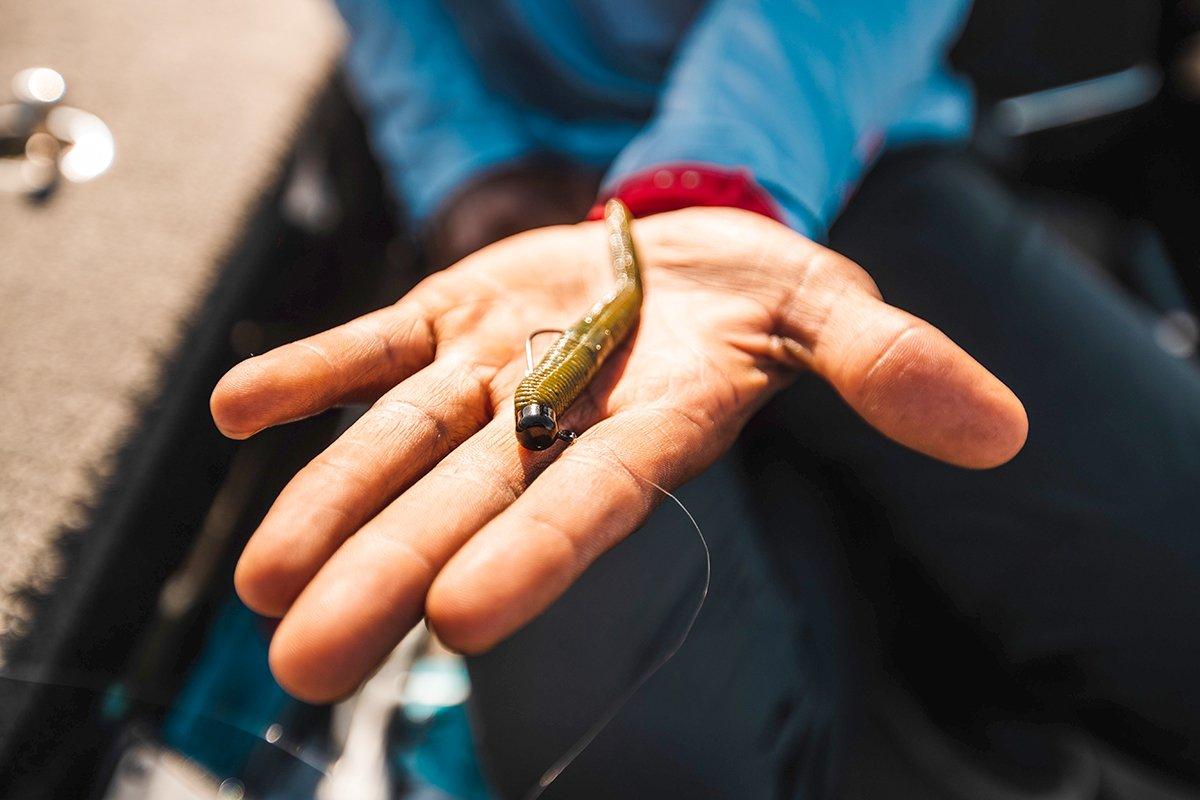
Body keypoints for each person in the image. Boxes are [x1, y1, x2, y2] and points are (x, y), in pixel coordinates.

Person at [210, 1, 1200, 796]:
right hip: (536, 221)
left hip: (847, 138)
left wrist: (707, 181)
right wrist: (466, 172)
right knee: (638, 765)